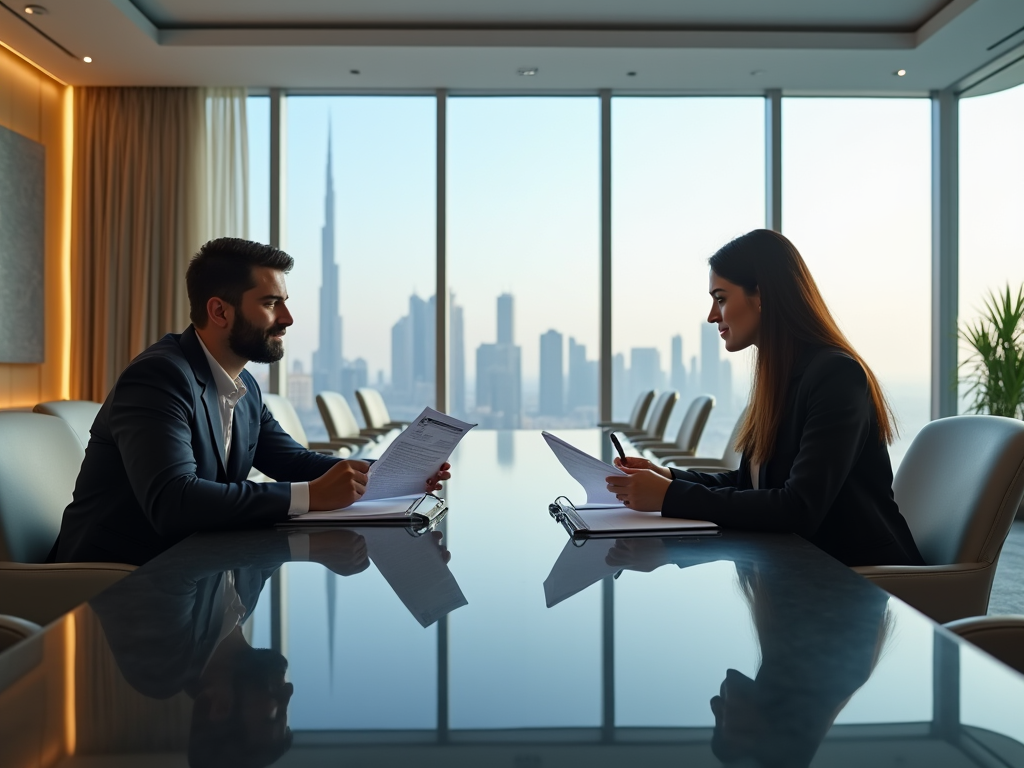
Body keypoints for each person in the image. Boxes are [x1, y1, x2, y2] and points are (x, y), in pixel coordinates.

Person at [51, 238, 450, 566]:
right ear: (219, 311)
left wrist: (389, 473)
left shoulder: (243, 386)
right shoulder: (158, 377)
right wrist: (311, 495)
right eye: (272, 303)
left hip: (194, 570)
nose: (288, 318)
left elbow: (291, 461)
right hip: (115, 588)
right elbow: (174, 501)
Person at [606, 229, 923, 567]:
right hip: (803, 569)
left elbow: (797, 508)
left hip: (863, 584)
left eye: (721, 298)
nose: (713, 315)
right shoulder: (780, 378)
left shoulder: (836, 376)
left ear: (761, 295)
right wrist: (668, 478)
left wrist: (670, 497)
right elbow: (748, 484)